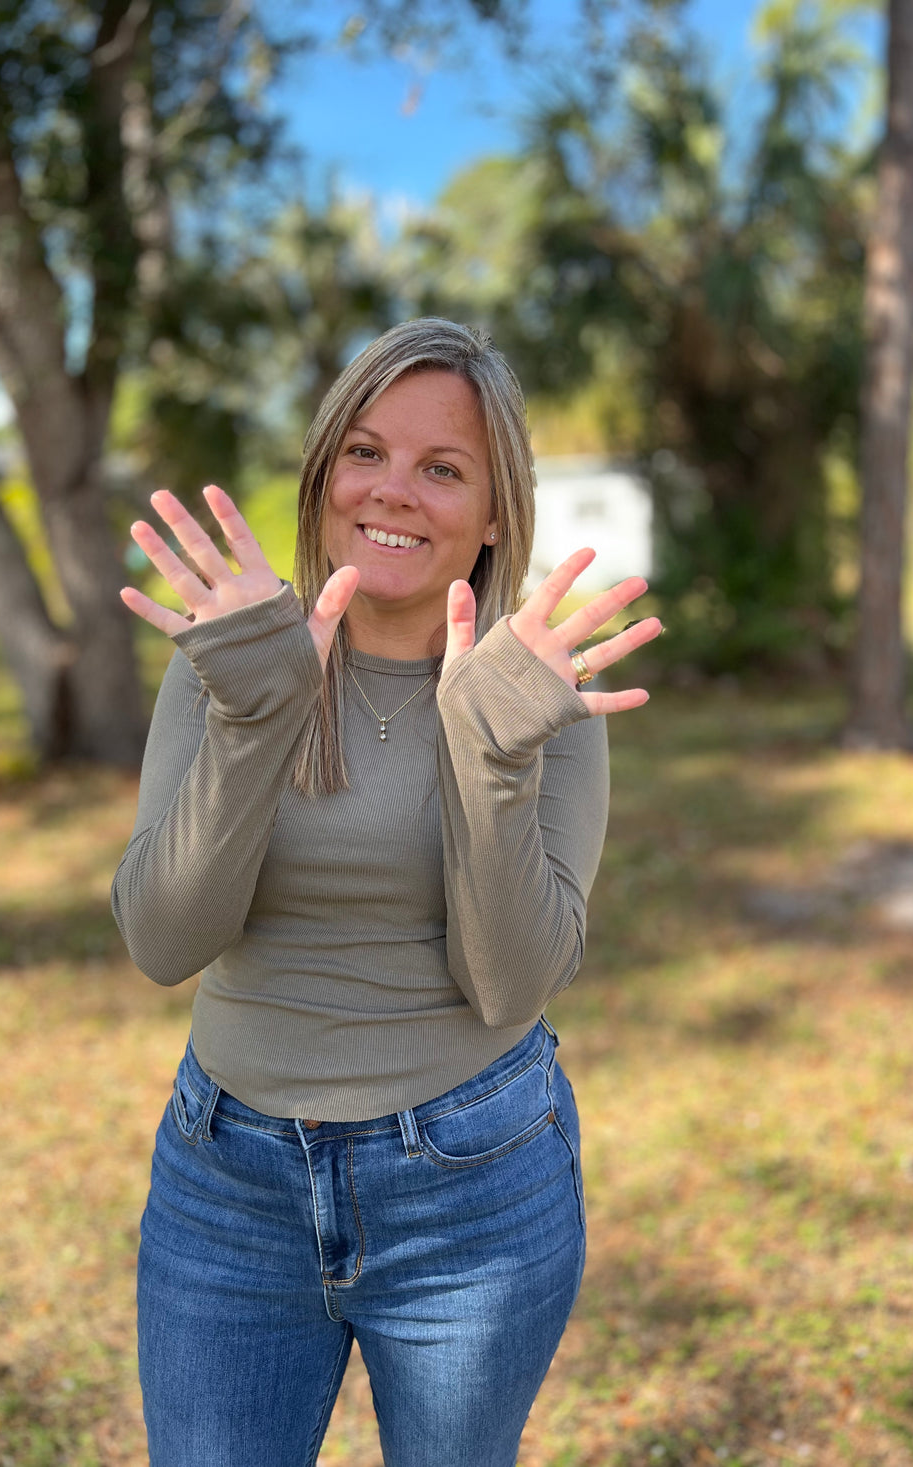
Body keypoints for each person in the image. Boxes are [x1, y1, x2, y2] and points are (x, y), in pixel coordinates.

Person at [111, 317, 660, 1467]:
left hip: (469, 1193)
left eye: (441, 467)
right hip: (227, 1187)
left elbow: (508, 980)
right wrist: (257, 716)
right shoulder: (231, 657)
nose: (392, 491)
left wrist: (494, 760)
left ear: (496, 509)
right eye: (363, 452)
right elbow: (166, 939)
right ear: (321, 478)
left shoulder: (536, 694)